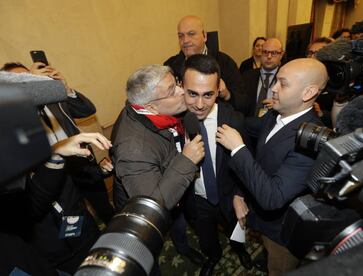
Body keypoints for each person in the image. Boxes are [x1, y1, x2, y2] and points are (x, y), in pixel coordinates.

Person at [216, 58, 329, 275]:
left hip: (282, 232)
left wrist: (238, 149)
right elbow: (248, 129)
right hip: (260, 220)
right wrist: (214, 112)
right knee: (267, 254)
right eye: (275, 81)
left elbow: (272, 197)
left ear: (308, 93)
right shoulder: (277, 114)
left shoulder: (311, 140)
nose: (273, 89)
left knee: (279, 267)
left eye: (283, 84)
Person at [1, 61, 113, 274]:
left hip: (75, 180)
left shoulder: (54, 101)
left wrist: (63, 88)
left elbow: (87, 109)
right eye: (21, 83)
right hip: (50, 245)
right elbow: (29, 207)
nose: (31, 85)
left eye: (30, 80)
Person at [110, 65, 205, 272]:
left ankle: (182, 246)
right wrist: (187, 161)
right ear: (151, 107)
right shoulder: (134, 149)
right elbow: (152, 207)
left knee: (177, 223)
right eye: (172, 91)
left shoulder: (146, 109)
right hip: (144, 213)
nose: (182, 91)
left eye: (177, 83)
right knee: (148, 254)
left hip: (173, 187)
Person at [0, 132, 112, 276]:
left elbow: (80, 176)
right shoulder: (7, 181)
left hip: (87, 234)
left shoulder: (49, 149)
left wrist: (100, 170)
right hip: (57, 257)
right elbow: (31, 208)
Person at [182, 54, 252, 275]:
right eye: (192, 94)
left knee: (236, 229)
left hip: (228, 195)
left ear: (219, 89)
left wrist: (240, 194)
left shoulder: (234, 119)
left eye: (208, 95)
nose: (200, 105)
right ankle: (213, 257)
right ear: (181, 87)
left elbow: (246, 160)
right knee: (206, 235)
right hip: (196, 198)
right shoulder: (173, 121)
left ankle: (239, 249)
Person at [164, 15, 245, 111]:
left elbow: (244, 104)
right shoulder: (170, 66)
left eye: (191, 34)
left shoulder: (225, 63)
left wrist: (227, 94)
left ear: (205, 36)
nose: (185, 40)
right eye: (181, 36)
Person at [242, 38, 284, 117]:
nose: (269, 56)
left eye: (274, 53)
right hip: (249, 124)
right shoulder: (247, 76)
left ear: (281, 55)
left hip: (275, 122)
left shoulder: (286, 78)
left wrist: (279, 104)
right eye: (265, 52)